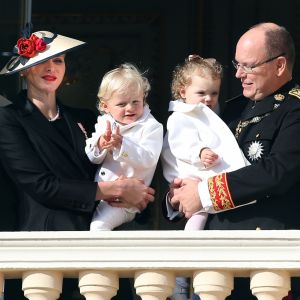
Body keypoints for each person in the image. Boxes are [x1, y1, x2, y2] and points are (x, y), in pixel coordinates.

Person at [0, 26, 154, 300]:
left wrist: (136, 196)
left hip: (100, 248)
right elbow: (41, 185)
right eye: (41, 61)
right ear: (24, 70)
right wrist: (114, 190)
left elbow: (115, 169)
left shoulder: (84, 117)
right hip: (43, 251)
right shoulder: (9, 120)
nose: (51, 68)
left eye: (58, 60)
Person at [165, 22, 300, 299]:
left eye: (249, 66)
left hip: (266, 258)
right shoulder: (231, 107)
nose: (239, 74)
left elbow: (277, 172)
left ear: (280, 65)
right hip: (214, 259)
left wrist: (202, 194)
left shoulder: (294, 109)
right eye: (237, 65)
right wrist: (179, 194)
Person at [161, 55, 249, 300]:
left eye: (214, 93)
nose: (208, 99)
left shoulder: (207, 112)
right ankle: (180, 276)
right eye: (201, 93)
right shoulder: (181, 116)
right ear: (182, 91)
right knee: (195, 228)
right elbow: (181, 143)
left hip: (211, 185)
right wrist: (200, 153)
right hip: (192, 175)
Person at [85, 63, 163, 231]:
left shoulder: (151, 126)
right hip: (101, 193)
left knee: (98, 227)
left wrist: (122, 145)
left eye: (136, 101)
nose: (130, 108)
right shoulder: (104, 122)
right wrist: (100, 144)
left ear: (144, 98)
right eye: (122, 104)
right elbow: (91, 156)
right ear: (105, 106)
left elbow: (149, 159)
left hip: (126, 203)